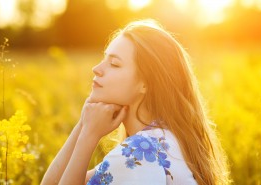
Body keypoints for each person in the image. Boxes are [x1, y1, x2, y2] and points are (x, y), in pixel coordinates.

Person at [41, 19, 230, 185]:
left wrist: (89, 135)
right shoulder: (160, 141)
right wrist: (84, 123)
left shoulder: (139, 152)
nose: (97, 69)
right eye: (104, 59)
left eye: (114, 64)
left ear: (146, 84)